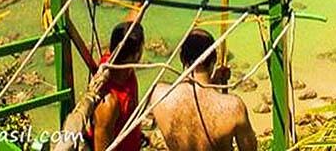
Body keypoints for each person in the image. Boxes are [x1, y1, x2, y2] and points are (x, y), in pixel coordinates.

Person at [151, 29, 257, 151]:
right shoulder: (233, 108)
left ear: (182, 58)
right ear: (213, 60)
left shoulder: (158, 96)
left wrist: (214, 82)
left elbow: (191, 99)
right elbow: (250, 148)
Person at [88, 20, 145, 151]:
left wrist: (144, 0)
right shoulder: (108, 104)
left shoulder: (119, 62)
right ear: (136, 55)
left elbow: (136, 13)